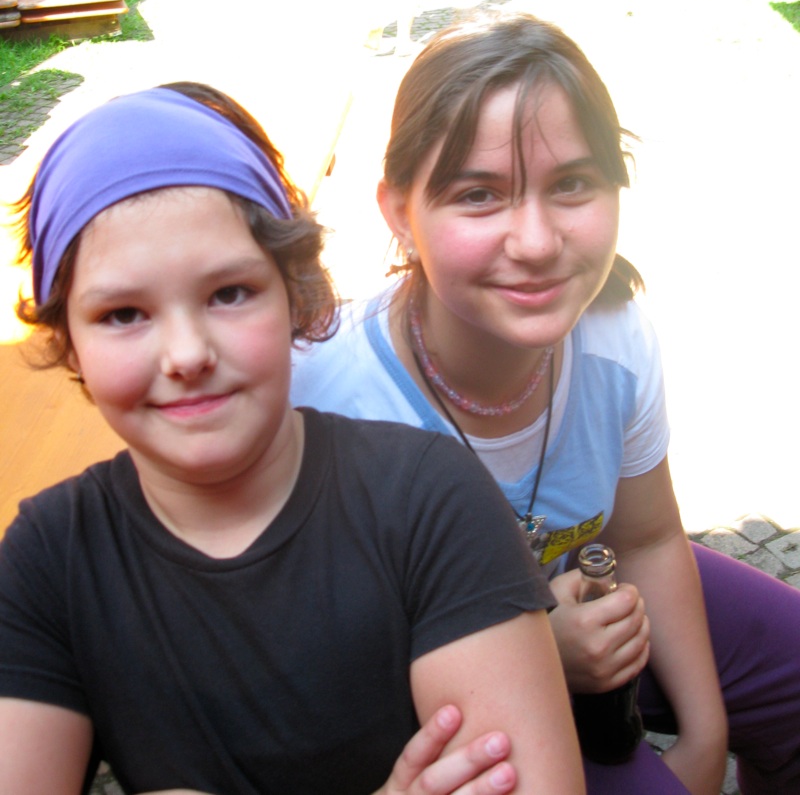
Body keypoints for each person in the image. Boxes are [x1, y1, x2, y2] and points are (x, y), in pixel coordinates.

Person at [0, 82, 587, 795]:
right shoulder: (49, 560)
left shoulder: (428, 500)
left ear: (295, 296)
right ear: (69, 341)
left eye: (229, 293)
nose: (186, 354)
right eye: (124, 313)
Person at [292, 12, 800, 795]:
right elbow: (310, 667)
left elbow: (649, 534)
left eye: (571, 184)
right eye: (479, 194)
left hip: (590, 608)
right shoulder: (324, 402)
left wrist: (707, 734)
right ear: (398, 212)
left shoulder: (612, 335)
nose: (535, 241)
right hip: (431, 689)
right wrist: (533, 651)